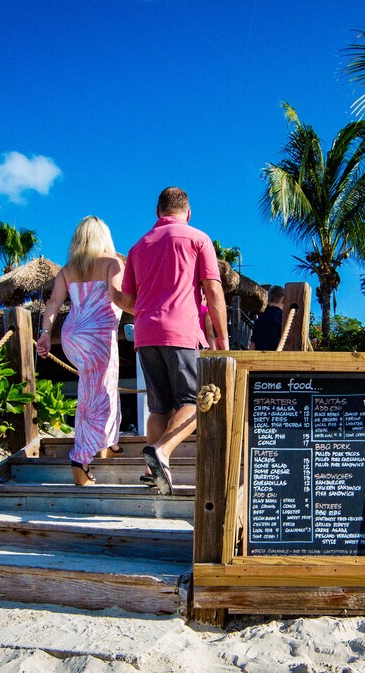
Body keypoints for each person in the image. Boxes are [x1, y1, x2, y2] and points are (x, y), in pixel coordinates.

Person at [110, 186, 228, 495]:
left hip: (146, 334)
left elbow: (127, 301)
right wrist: (222, 340)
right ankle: (162, 452)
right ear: (188, 213)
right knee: (194, 403)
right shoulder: (197, 238)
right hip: (182, 332)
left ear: (158, 213)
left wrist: (151, 311)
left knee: (159, 407)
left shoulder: (137, 247)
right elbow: (214, 292)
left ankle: (153, 471)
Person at [36, 216, 124, 486]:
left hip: (73, 334)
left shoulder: (67, 270)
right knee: (95, 397)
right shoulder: (112, 263)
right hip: (99, 335)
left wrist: (44, 334)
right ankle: (80, 459)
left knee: (101, 387)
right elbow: (119, 296)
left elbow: (53, 303)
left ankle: (110, 441)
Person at [249, 285, 285, 350]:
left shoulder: (259, 320)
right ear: (283, 299)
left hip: (260, 358)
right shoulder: (284, 319)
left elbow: (252, 346)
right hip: (278, 357)